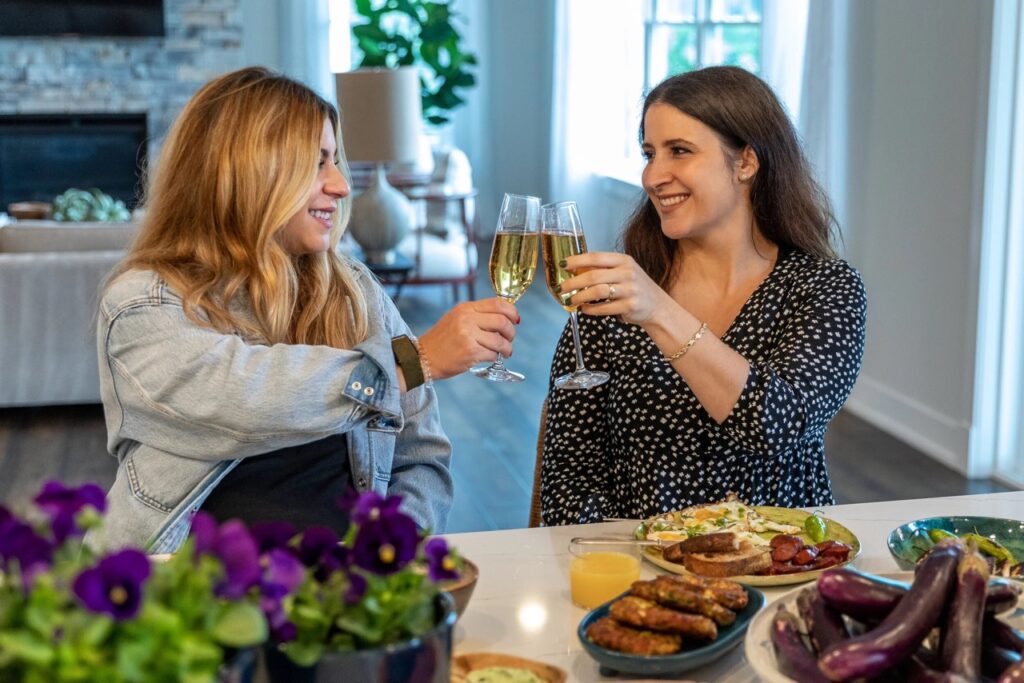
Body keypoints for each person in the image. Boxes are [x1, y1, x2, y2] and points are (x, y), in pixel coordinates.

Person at [94, 67, 519, 552]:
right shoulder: (143, 303)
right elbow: (241, 396)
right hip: (191, 608)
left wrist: (390, 558)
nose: (340, 185)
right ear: (247, 171)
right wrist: (410, 363)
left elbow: (419, 459)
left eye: (335, 160)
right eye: (317, 163)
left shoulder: (354, 292)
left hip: (344, 599)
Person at [540, 66, 867, 525]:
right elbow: (569, 480)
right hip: (640, 576)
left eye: (680, 151)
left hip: (781, 571)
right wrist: (632, 566)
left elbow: (779, 427)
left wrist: (660, 313)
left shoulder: (825, 287)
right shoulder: (613, 297)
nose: (654, 175)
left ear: (746, 162)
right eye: (650, 153)